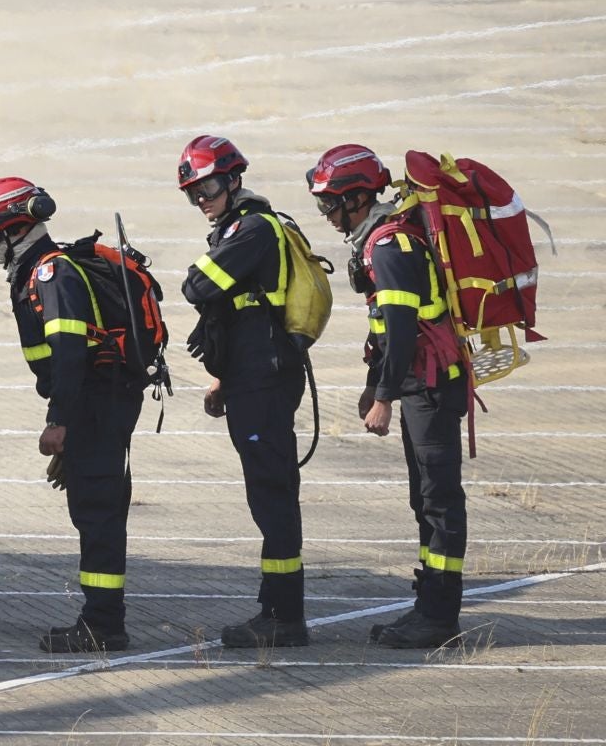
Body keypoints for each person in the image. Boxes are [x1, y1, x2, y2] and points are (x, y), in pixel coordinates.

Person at [0, 176, 142, 653]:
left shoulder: (51, 273)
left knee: (97, 512)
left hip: (94, 403)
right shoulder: (42, 269)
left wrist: (60, 421)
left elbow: (69, 351)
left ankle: (103, 624)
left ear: (15, 229)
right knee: (95, 508)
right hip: (99, 402)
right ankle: (102, 618)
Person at [307, 144, 468, 649]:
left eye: (329, 203)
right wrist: (372, 386)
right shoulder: (380, 238)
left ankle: (439, 616)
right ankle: (428, 607)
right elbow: (387, 330)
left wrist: (382, 398)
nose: (327, 215)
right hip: (421, 383)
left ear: (356, 198)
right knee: (425, 500)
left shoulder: (390, 246)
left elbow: (401, 331)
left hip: (430, 386)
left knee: (439, 501)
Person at [176, 134, 310, 648]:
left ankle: (284, 616)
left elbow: (197, 287)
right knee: (267, 493)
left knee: (273, 495)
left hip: (266, 382)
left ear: (233, 179)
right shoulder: (238, 228)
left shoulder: (253, 230)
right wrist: (222, 379)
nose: (202, 199)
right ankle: (276, 608)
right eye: (193, 193)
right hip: (252, 379)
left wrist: (235, 377)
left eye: (207, 186)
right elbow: (235, 315)